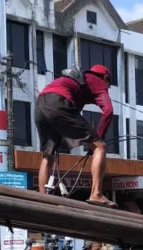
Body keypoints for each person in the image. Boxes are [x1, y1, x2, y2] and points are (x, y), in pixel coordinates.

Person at [34, 65, 116, 208]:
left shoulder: (77, 81)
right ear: (106, 78)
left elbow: (69, 116)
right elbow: (108, 111)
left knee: (48, 155)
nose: (106, 89)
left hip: (40, 103)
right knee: (100, 147)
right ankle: (96, 194)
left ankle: (42, 198)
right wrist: (98, 139)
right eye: (108, 85)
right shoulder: (99, 82)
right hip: (59, 101)